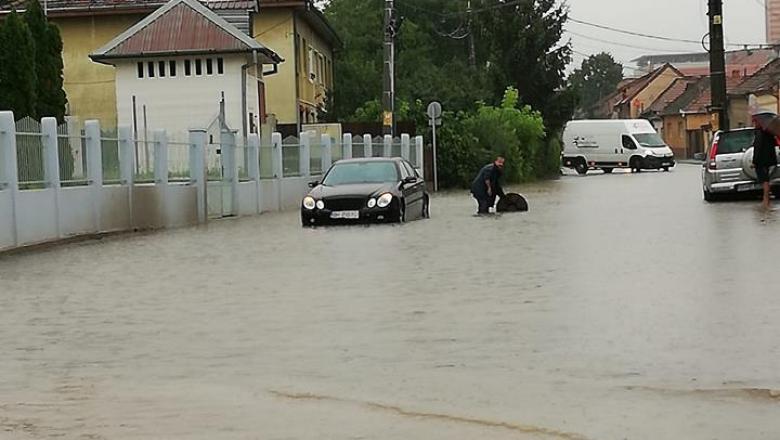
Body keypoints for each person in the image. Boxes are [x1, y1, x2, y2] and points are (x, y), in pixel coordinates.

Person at [751, 113, 779, 209]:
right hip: (769, 159)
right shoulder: (769, 132)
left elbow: (757, 148)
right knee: (766, 179)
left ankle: (766, 200)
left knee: (765, 180)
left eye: (754, 121)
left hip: (761, 160)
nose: (753, 123)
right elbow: (774, 144)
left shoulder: (760, 133)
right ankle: (766, 200)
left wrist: (754, 161)